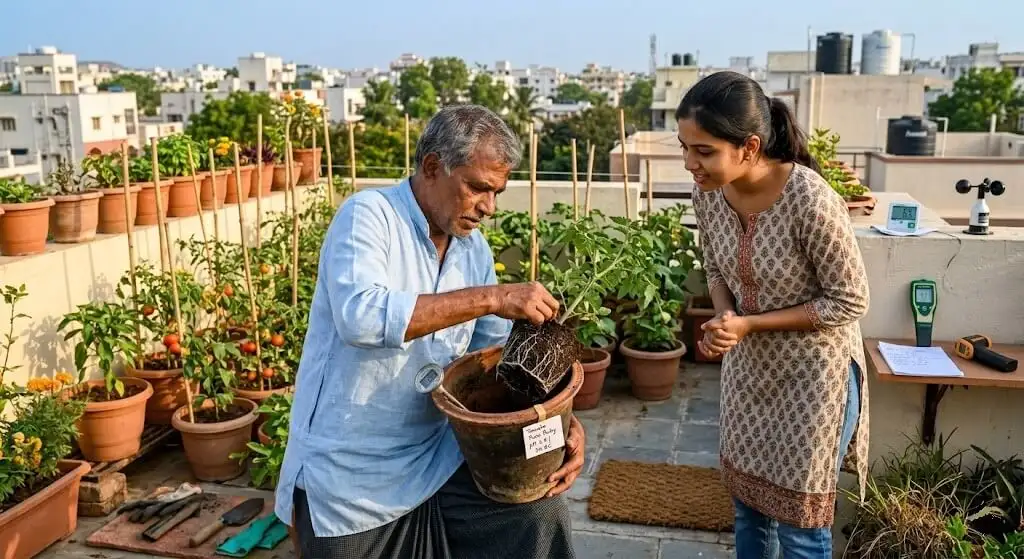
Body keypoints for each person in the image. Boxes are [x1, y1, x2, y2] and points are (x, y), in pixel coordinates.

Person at [274, 104, 585, 559]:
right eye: (478, 188)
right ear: (432, 167)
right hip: (353, 477)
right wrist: (494, 296)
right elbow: (360, 316)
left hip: (440, 457)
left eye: (497, 192)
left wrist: (557, 424)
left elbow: (491, 366)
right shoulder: (369, 215)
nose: (489, 207)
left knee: (538, 518)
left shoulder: (470, 248)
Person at [676, 71, 870, 558]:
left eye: (703, 151)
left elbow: (850, 300)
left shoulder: (810, 199)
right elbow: (716, 265)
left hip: (815, 376)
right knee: (748, 507)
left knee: (801, 527)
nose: (689, 163)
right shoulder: (707, 195)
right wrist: (725, 319)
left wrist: (748, 324)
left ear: (749, 147)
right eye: (684, 147)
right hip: (749, 372)